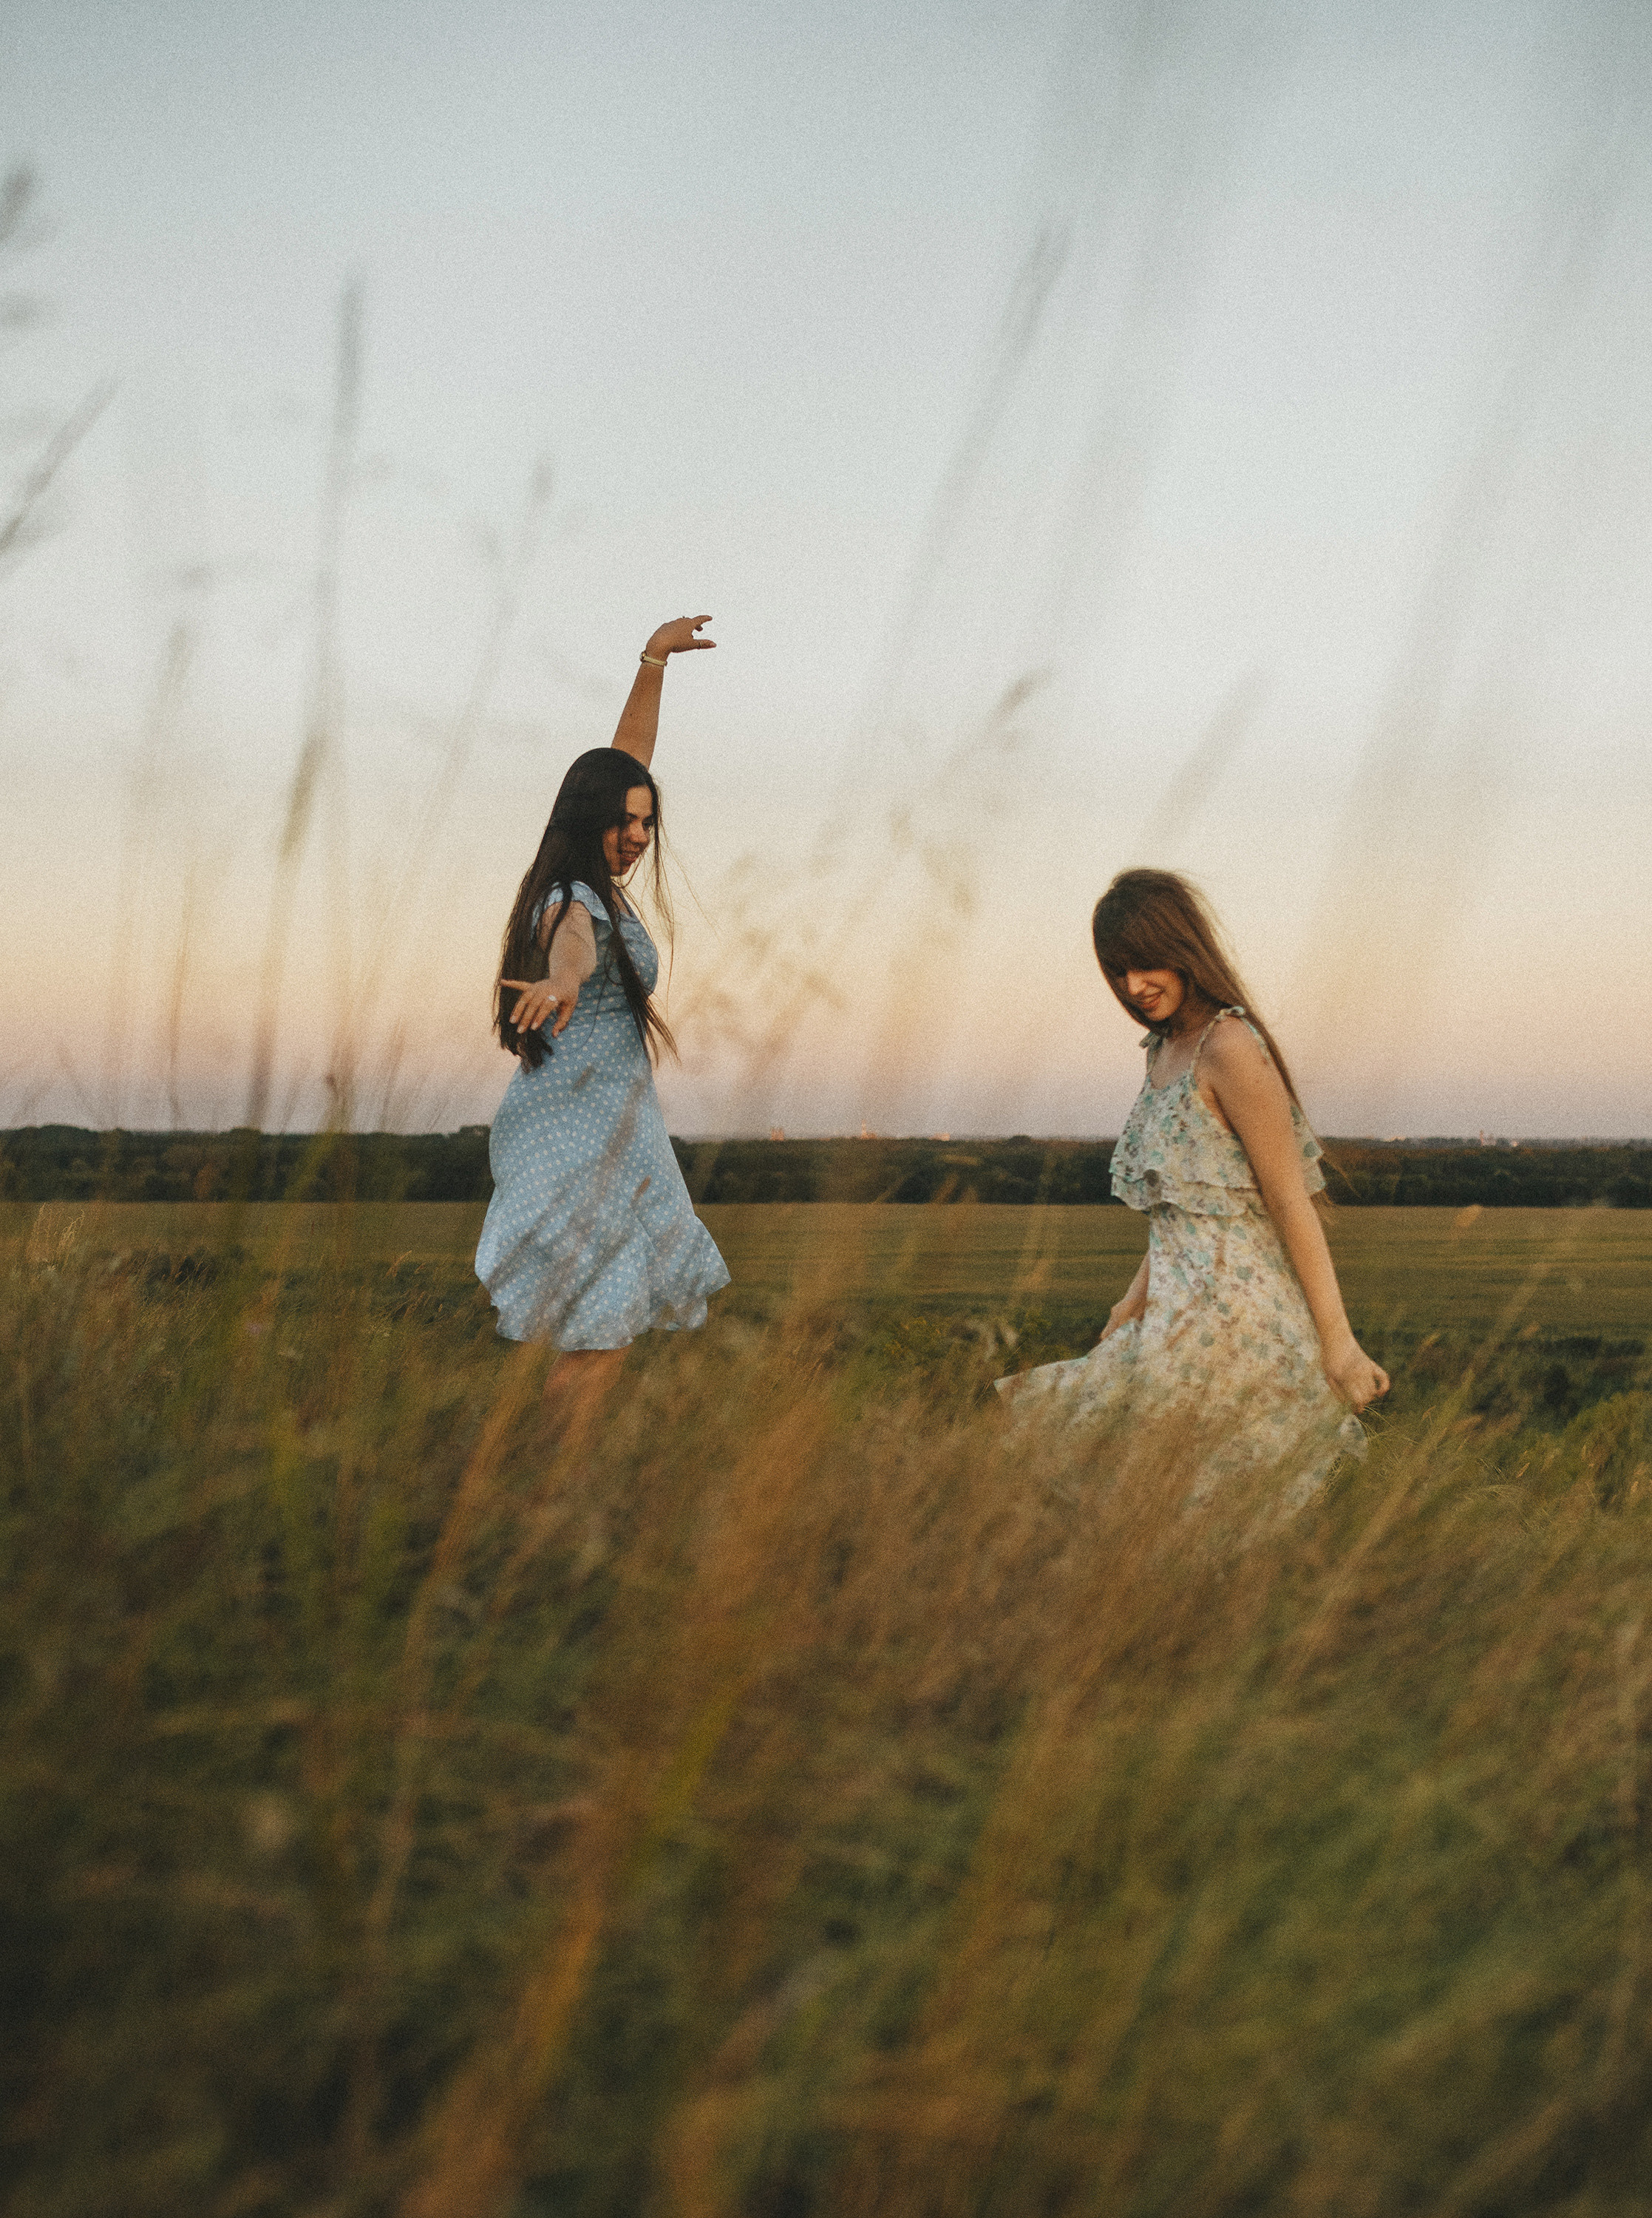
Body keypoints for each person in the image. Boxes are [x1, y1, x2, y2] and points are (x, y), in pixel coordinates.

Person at [998, 867, 1388, 1505]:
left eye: (1146, 963)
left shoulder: (1228, 1046)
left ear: (1183, 948)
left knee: (1177, 1502)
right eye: (1117, 970)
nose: (1133, 985)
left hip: (1236, 1321)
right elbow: (1186, 1209)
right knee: (1065, 1449)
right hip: (1169, 1316)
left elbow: (1288, 1203)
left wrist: (1338, 1343)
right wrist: (1133, 1299)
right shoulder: (1163, 1049)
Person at [475, 614, 730, 1444]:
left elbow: (626, 762)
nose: (638, 836)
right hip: (580, 1132)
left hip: (607, 1124)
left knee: (599, 1335)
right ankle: (551, 1491)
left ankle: (548, 1483)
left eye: (647, 822)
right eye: (625, 821)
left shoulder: (595, 880)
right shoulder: (573, 902)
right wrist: (561, 979)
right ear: (588, 820)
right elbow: (575, 950)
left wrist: (654, 661)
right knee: (602, 1330)